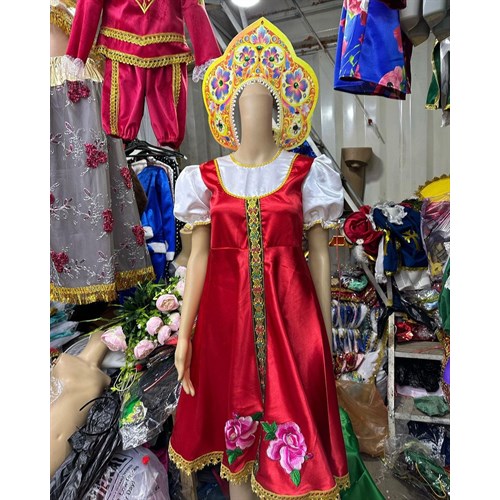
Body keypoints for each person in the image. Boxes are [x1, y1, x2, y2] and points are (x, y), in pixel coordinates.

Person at [168, 18, 349, 499]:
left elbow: (320, 256)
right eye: (245, 99)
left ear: (279, 107)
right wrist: (185, 334)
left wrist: (323, 332)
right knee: (236, 447)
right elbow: (198, 258)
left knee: (292, 439)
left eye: (263, 100)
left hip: (294, 323)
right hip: (225, 324)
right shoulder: (204, 178)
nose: (253, 109)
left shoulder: (307, 174)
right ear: (230, 106)